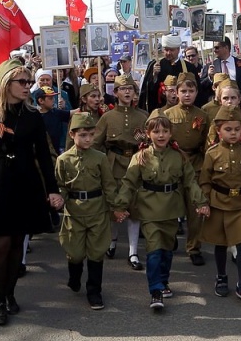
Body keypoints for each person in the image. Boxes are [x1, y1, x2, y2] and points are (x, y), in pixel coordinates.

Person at [0, 60, 63, 326]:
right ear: (6, 84)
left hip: (25, 182)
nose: (28, 86)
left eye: (29, 82)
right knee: (1, 244)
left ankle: (10, 294)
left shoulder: (33, 116)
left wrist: (52, 190)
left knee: (17, 244)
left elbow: (43, 156)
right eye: (23, 82)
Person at [116, 114, 209, 311]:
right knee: (154, 250)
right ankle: (155, 290)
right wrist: (120, 206)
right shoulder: (140, 157)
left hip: (171, 208)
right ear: (148, 134)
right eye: (156, 131)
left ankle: (164, 281)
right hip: (149, 209)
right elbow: (128, 183)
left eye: (165, 131)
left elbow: (190, 182)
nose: (161, 135)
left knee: (167, 250)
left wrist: (200, 202)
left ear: (170, 133)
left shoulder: (179, 156)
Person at [55, 112, 118, 310]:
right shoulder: (63, 160)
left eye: (91, 134)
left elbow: (108, 185)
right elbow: (61, 185)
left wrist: (116, 207)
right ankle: (74, 277)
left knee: (96, 253)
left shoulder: (100, 158)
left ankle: (94, 291)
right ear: (72, 135)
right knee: (74, 253)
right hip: (74, 212)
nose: (88, 139)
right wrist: (59, 199)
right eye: (83, 135)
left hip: (97, 210)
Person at [199, 105, 241, 304]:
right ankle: (221, 276)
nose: (233, 133)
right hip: (218, 203)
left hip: (240, 203)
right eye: (228, 129)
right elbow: (205, 180)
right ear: (219, 131)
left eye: (237, 129)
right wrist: (204, 202)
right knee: (220, 243)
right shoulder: (212, 153)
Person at [151, 72, 209, 265]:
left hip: (196, 162)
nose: (187, 95)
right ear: (176, 92)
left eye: (191, 91)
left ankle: (194, 247)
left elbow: (207, 142)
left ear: (196, 93)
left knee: (195, 209)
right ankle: (170, 238)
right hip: (174, 162)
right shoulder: (167, 114)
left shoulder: (202, 115)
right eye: (183, 91)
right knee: (172, 205)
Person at [95, 75, 148, 269]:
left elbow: (149, 143)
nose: (127, 92)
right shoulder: (107, 117)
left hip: (135, 165)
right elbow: (95, 143)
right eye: (123, 88)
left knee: (134, 208)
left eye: (130, 89)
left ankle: (133, 251)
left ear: (135, 93)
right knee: (114, 205)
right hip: (113, 164)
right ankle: (113, 241)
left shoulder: (142, 116)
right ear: (115, 92)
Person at [199, 37, 241, 114]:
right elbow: (201, 88)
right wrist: (209, 78)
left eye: (217, 47)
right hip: (218, 111)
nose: (214, 50)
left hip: (240, 110)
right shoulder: (210, 66)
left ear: (226, 47)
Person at [139, 34, 185, 112]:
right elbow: (147, 92)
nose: (168, 53)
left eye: (171, 50)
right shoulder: (154, 65)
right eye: (166, 50)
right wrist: (154, 75)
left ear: (178, 49)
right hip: (160, 110)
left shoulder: (188, 67)